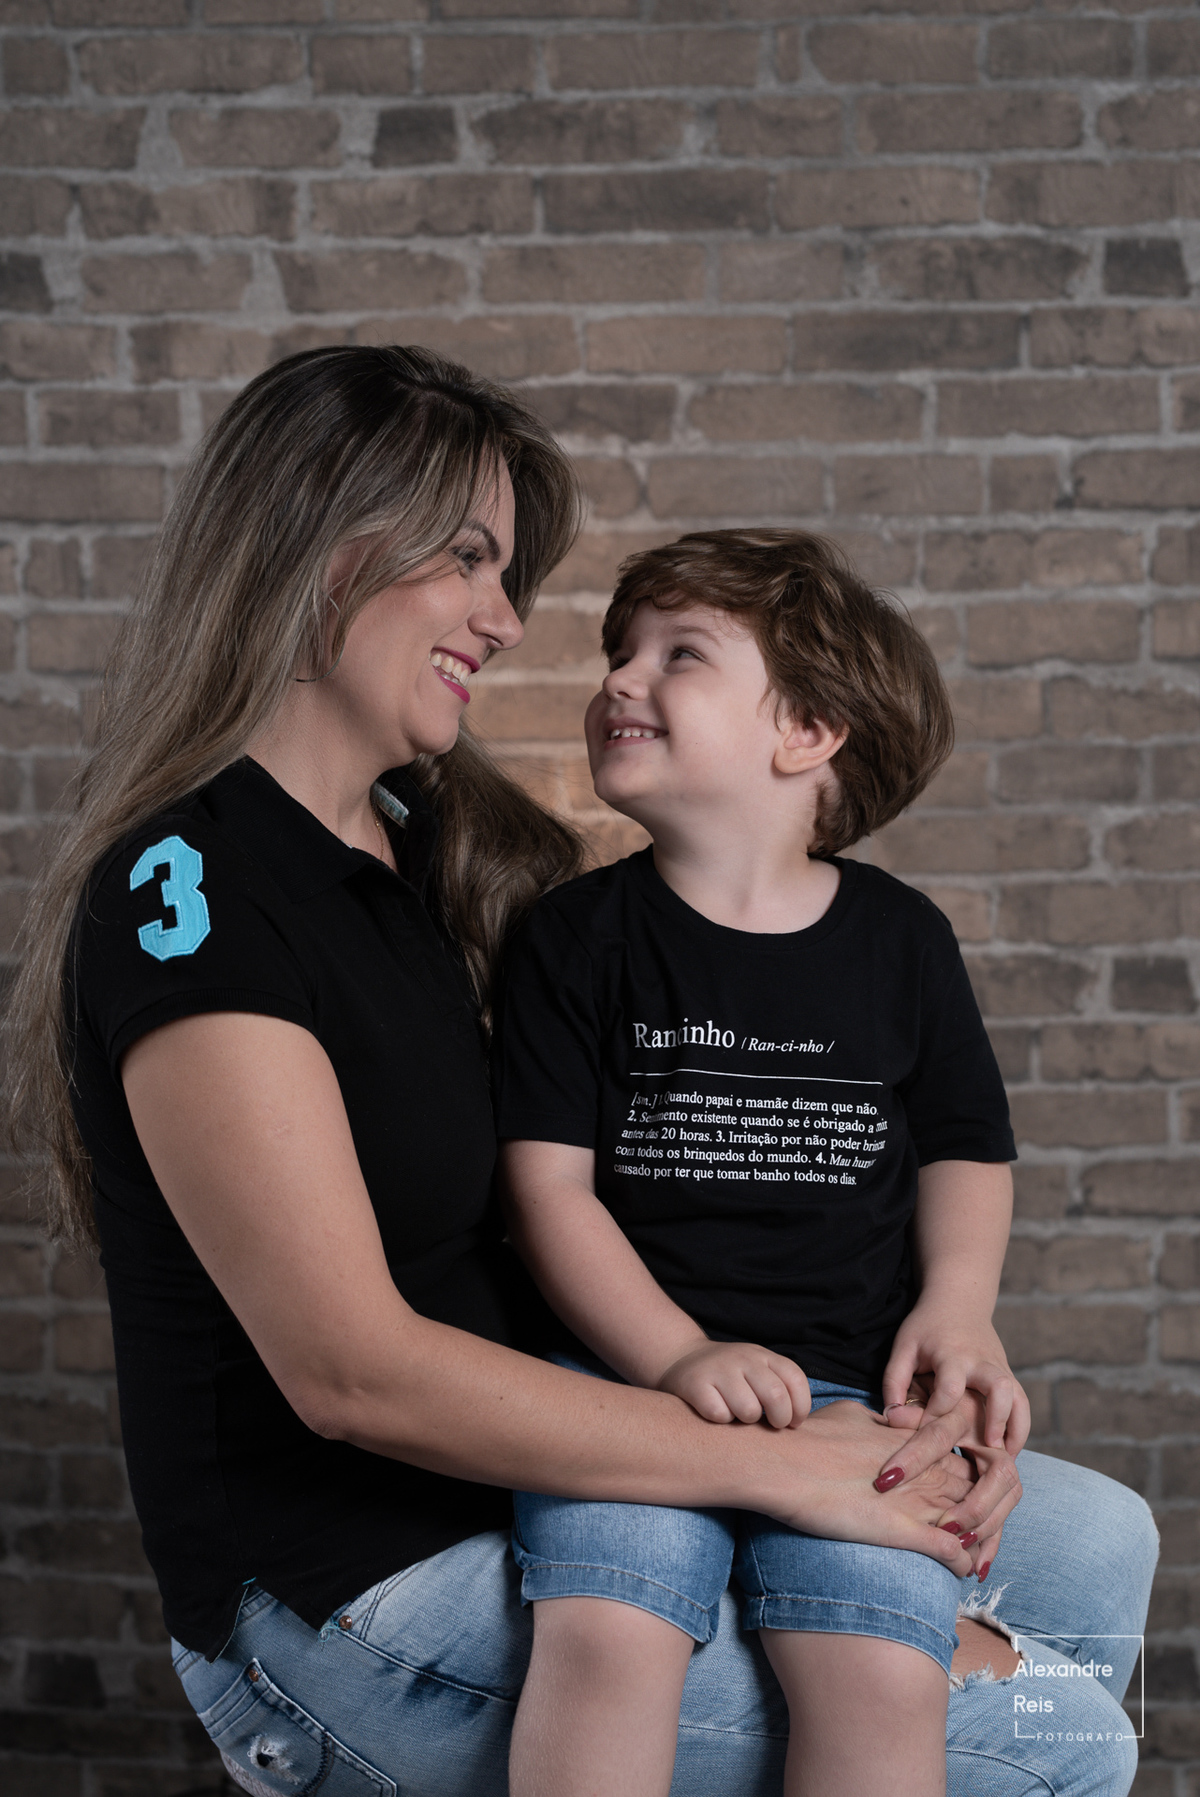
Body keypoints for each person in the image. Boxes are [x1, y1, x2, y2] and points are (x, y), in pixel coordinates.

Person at [6, 345, 1154, 1797]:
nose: (507, 619)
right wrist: (774, 1463)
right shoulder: (189, 890)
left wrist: (896, 1386)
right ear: (326, 543)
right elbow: (349, 1372)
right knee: (1058, 1736)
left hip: (533, 1460)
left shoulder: (435, 849)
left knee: (1095, 1544)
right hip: (343, 1579)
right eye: (470, 560)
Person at [491, 529, 1024, 1797]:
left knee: (882, 1670)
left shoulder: (902, 940)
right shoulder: (576, 937)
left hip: (852, 1394)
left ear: (810, 732)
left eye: (679, 655)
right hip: (622, 1388)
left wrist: (961, 1307)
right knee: (609, 1634)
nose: (620, 678)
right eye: (620, 651)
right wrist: (677, 1355)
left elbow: (964, 1146)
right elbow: (548, 1189)